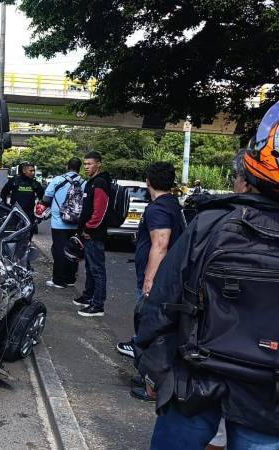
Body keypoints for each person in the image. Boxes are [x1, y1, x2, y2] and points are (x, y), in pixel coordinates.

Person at [136, 102, 279, 449]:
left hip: (195, 378)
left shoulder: (211, 224)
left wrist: (153, 367)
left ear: (245, 178)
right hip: (269, 395)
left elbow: (163, 303)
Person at [117, 163, 184, 402]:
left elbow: (160, 244)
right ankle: (151, 379)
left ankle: (152, 385)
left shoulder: (158, 208)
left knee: (151, 331)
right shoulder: (172, 204)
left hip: (159, 282)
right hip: (169, 280)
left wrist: (149, 280)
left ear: (148, 181)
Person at [73, 151, 111, 317]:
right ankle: (88, 297)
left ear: (99, 164)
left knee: (97, 269)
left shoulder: (100, 183)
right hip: (88, 234)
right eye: (85, 164)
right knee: (90, 267)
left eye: (89, 164)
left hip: (94, 235)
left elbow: (99, 211)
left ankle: (97, 305)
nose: (86, 167)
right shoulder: (92, 182)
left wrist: (89, 229)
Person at [42, 157, 84, 288]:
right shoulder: (84, 183)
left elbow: (46, 199)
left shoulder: (58, 180)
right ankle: (70, 279)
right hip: (76, 222)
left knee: (59, 250)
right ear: (80, 167)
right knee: (73, 249)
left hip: (59, 222)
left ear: (67, 166)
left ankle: (58, 280)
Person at [1, 161, 45, 227]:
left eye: (34, 171)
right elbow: (4, 192)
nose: (33, 173)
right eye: (31, 171)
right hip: (15, 212)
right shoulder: (14, 181)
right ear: (24, 171)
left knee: (29, 232)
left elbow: (42, 198)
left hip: (29, 214)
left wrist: (39, 213)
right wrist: (5, 205)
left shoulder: (35, 183)